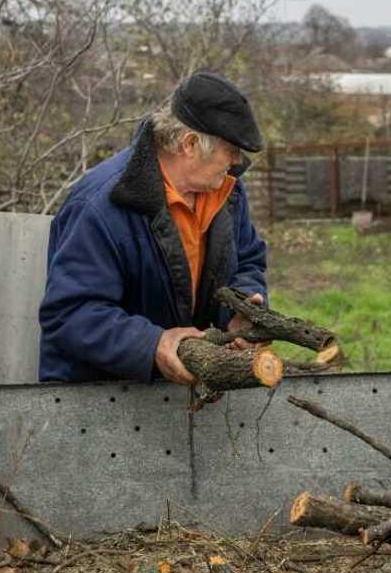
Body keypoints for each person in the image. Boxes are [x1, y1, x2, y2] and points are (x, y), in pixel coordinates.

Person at [38, 72, 268, 384]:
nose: (238, 161)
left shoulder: (228, 192)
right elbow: (70, 315)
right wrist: (153, 344)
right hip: (98, 402)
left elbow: (249, 259)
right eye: (231, 150)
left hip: (182, 397)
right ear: (189, 144)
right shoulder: (99, 205)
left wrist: (241, 307)